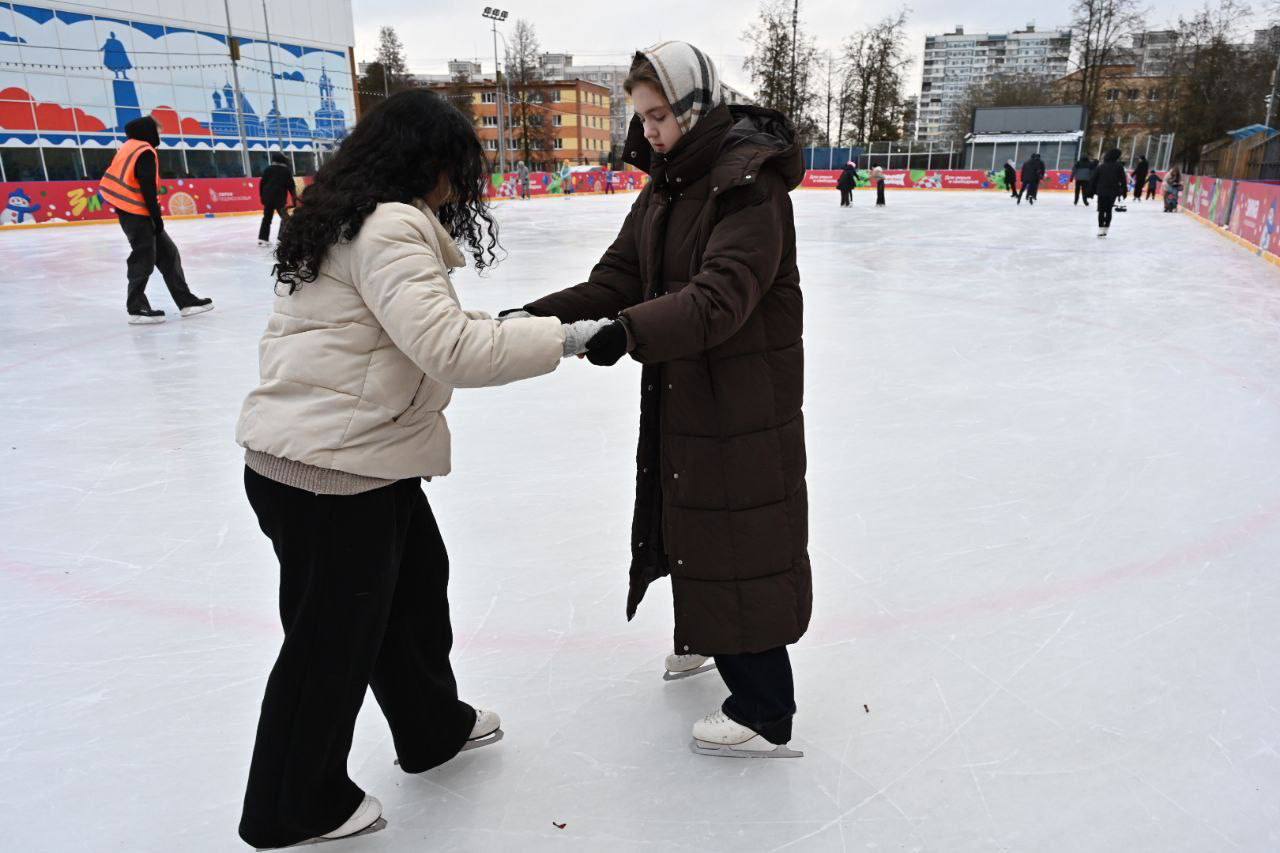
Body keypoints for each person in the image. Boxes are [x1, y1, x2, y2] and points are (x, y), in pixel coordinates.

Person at [233, 89, 609, 849]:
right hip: (333, 475)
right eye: (458, 169)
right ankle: (292, 804)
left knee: (410, 593)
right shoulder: (392, 226)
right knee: (330, 644)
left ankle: (432, 726)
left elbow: (414, 329)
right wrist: (564, 340)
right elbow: (449, 352)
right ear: (431, 165)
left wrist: (506, 325)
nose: (458, 187)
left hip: (335, 458)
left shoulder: (343, 213)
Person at [506, 42, 810, 759]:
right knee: (692, 522)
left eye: (658, 115)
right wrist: (534, 316)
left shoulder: (749, 187)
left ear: (696, 108)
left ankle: (766, 704)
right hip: (687, 392)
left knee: (739, 534)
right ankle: (706, 639)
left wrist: (625, 333)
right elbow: (616, 278)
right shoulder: (668, 187)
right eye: (640, 116)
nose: (646, 131)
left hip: (740, 403)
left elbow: (717, 300)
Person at [99, 115, 213, 324]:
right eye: (158, 131)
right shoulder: (144, 151)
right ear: (149, 131)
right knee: (143, 258)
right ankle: (137, 308)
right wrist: (156, 216)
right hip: (136, 211)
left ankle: (185, 301)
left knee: (168, 254)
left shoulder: (128, 147)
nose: (159, 136)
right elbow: (147, 187)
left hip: (132, 210)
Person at [257, 152, 297, 247]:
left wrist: (262, 197)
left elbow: (262, 184)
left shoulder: (268, 169)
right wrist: (294, 199)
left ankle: (263, 239)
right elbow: (291, 186)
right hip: (279, 198)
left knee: (267, 218)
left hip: (268, 197)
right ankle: (284, 238)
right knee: (285, 218)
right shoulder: (286, 171)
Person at [1090, 147, 1126, 237]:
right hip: (1113, 191)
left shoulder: (1101, 166)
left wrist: (1091, 191)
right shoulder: (1119, 166)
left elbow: (1093, 179)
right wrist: (1123, 190)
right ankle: (1106, 228)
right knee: (1109, 210)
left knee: (1101, 210)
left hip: (1102, 191)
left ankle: (1100, 229)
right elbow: (1123, 180)